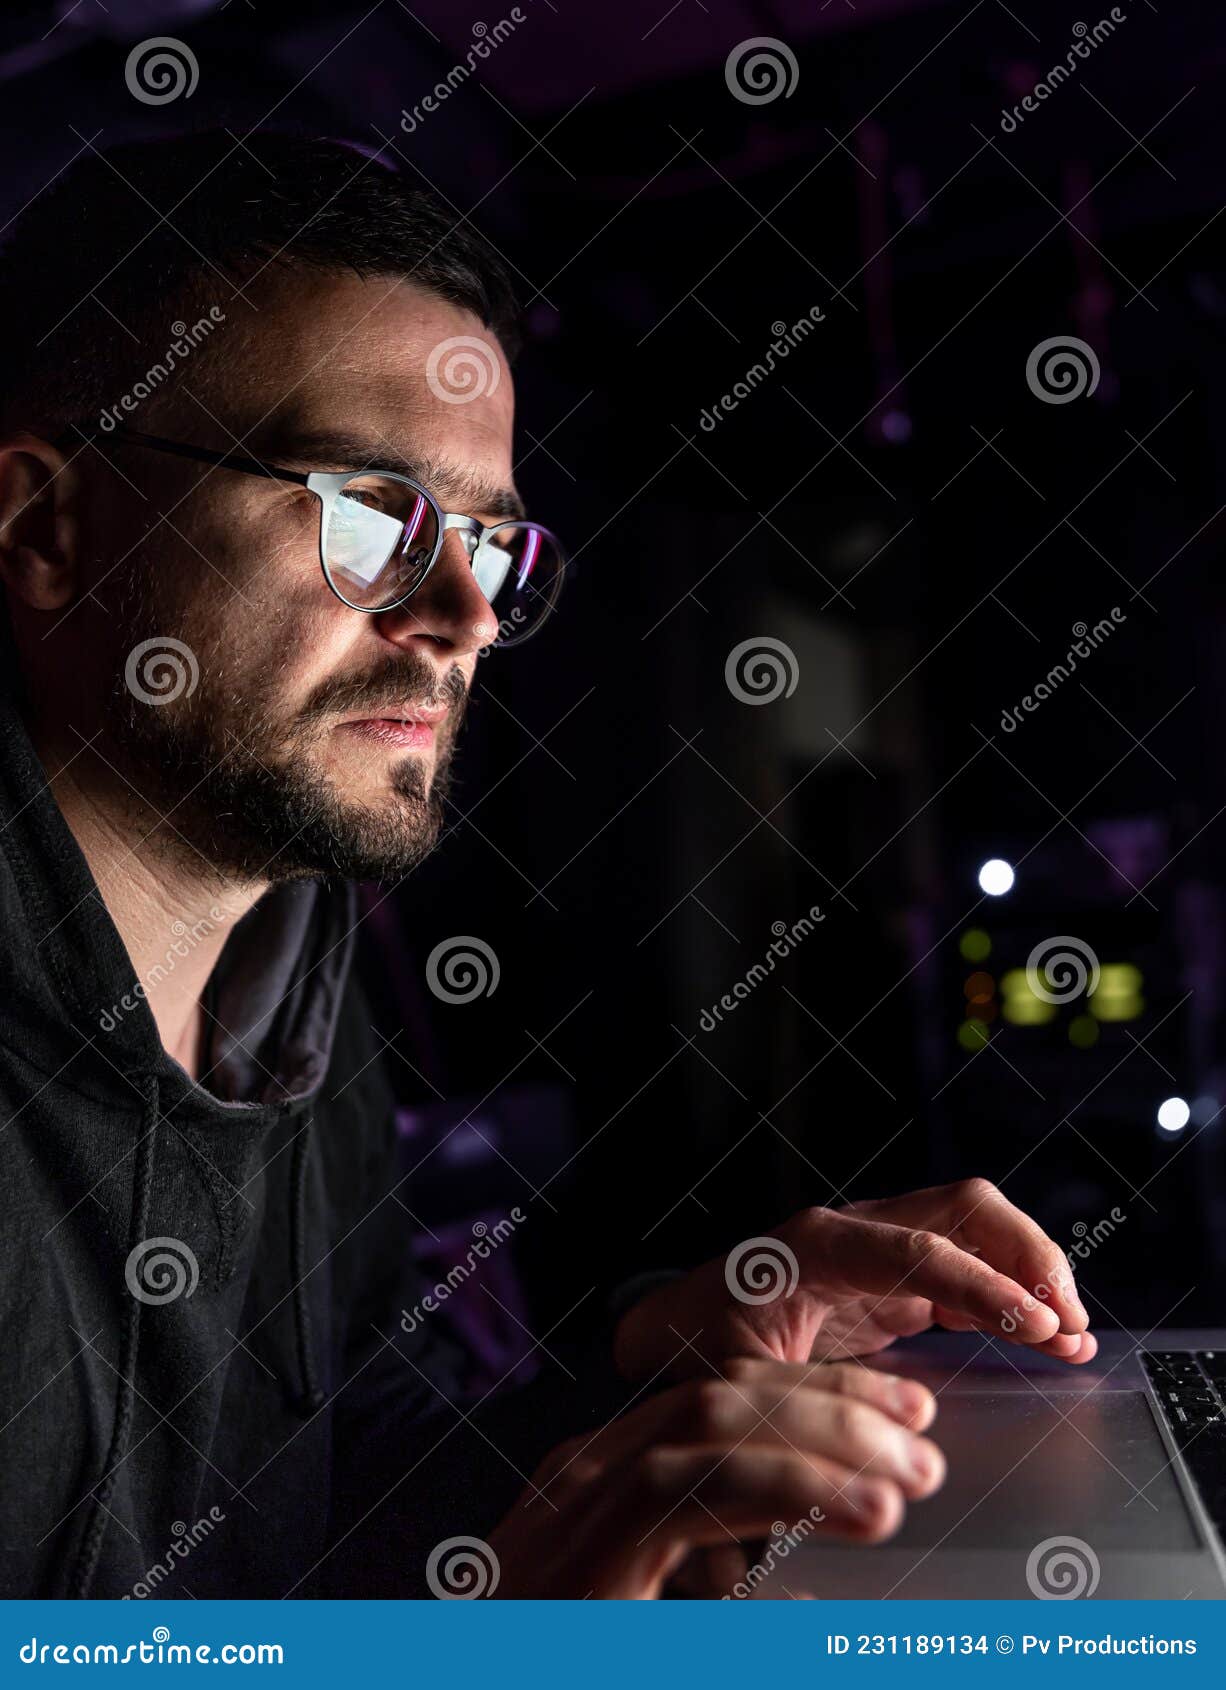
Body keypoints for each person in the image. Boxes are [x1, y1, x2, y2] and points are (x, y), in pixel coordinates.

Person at [0, 131, 1093, 1601]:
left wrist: (653, 1380)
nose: (462, 610)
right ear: (46, 524)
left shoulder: (293, 989)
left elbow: (300, 1509)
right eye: (371, 513)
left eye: (493, 542)